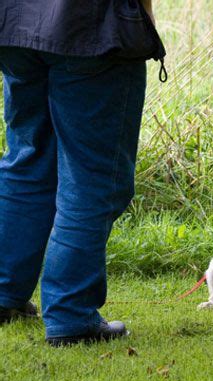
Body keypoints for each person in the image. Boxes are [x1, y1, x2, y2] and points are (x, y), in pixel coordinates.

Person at [0, 0, 156, 346]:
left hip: (16, 24)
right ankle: (71, 315)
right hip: (92, 29)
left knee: (28, 160)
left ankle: (4, 294)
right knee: (93, 178)